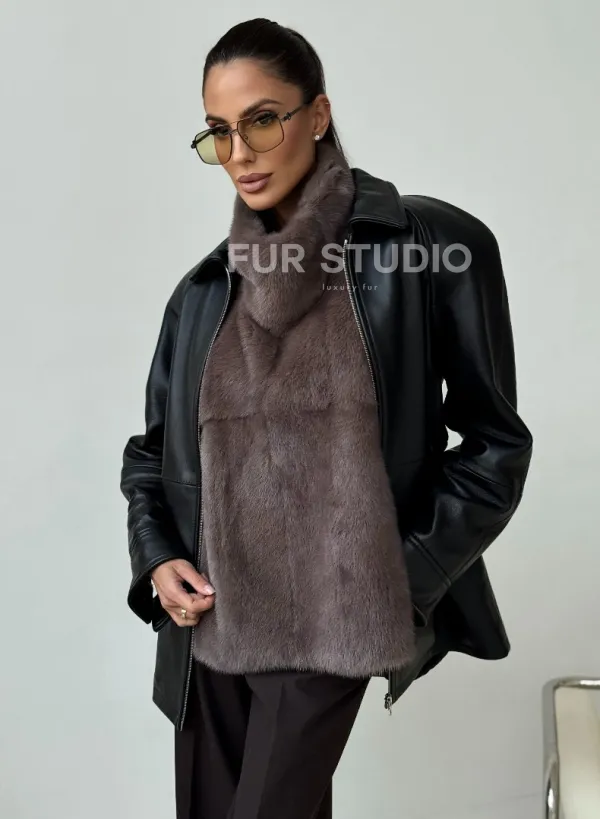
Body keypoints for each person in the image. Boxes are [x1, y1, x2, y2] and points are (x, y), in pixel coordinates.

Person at [119, 17, 533, 819]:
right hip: (213, 622)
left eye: (261, 120)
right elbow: (150, 457)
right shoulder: (203, 293)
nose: (239, 152)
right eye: (218, 131)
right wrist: (158, 557)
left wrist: (395, 579)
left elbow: (496, 445)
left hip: (336, 618)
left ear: (317, 114)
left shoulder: (425, 247)